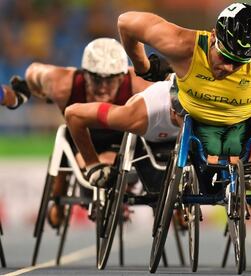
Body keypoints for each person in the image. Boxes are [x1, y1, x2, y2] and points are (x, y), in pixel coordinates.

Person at [115, 2, 251, 169]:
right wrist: (143, 67)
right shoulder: (182, 45)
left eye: (239, 63)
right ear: (213, 36)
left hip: (240, 120)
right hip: (191, 115)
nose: (229, 67)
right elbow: (126, 22)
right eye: (225, 57)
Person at [2, 37, 171, 228]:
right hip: (81, 138)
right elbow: (34, 72)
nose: (103, 87)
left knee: (137, 144)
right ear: (85, 74)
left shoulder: (138, 84)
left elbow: (172, 90)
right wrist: (23, 91)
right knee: (65, 134)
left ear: (122, 76)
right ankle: (59, 195)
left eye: (111, 80)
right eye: (97, 79)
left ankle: (153, 195)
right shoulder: (63, 84)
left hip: (123, 139)